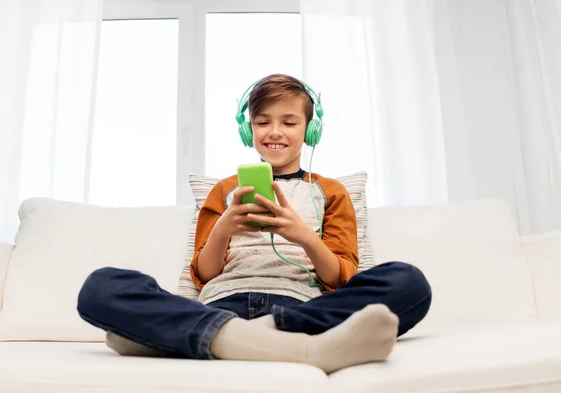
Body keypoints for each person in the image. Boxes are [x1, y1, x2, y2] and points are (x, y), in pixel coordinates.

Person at [77, 74, 432, 374]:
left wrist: (303, 235)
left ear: (310, 130)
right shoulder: (226, 190)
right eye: (262, 122)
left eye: (289, 122)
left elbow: (341, 278)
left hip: (300, 308)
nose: (274, 132)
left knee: (408, 282)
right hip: (222, 301)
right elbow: (204, 273)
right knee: (101, 286)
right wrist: (225, 228)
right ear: (249, 131)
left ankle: (208, 338)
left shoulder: (330, 191)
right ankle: (304, 350)